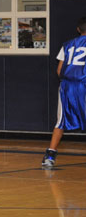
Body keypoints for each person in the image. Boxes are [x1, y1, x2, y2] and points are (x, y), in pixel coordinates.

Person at [42, 17, 86, 168]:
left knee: (60, 121)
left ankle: (49, 157)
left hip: (67, 86)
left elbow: (59, 70)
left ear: (78, 29)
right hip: (84, 84)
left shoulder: (67, 45)